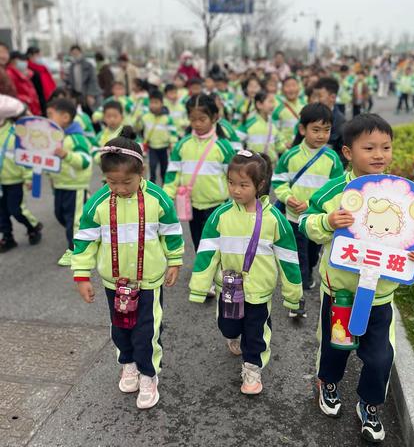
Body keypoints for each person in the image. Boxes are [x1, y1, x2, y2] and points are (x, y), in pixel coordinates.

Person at [299, 113, 414, 443]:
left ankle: (369, 404)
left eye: (386, 147)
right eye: (370, 147)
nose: (379, 155)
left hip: (380, 296)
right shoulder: (336, 191)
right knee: (335, 348)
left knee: (380, 358)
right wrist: (328, 221)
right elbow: (306, 223)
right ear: (348, 152)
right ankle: (328, 384)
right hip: (341, 294)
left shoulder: (401, 194)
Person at [72, 126, 184, 409]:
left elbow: (172, 232)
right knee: (120, 327)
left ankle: (149, 374)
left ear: (141, 172)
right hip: (115, 281)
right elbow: (84, 241)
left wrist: (175, 260)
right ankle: (129, 363)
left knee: (147, 329)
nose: (120, 189)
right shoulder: (96, 203)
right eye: (112, 182)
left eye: (127, 182)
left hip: (148, 280)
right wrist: (81, 275)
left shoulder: (158, 198)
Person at [189, 150, 302, 395]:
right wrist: (199, 287)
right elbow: (207, 253)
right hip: (229, 288)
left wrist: (293, 294)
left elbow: (289, 260)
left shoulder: (275, 219)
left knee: (255, 331)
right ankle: (233, 336)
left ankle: (252, 368)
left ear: (260, 185)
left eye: (243, 185)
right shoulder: (220, 215)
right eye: (231, 183)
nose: (235, 190)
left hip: (259, 290)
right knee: (228, 327)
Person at [273, 103, 343, 318]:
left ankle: (308, 274)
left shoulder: (332, 159)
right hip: (294, 217)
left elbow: (337, 190)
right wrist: (288, 198)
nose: (322, 135)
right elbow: (278, 181)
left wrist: (317, 208)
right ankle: (298, 296)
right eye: (316, 129)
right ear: (302, 130)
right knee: (298, 255)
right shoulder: (290, 155)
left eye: (326, 130)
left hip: (318, 221)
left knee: (313, 254)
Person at [163, 94, 235, 253]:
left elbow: (233, 176)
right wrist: (166, 197)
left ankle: (217, 274)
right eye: (193, 119)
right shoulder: (182, 144)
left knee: (216, 246)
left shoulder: (223, 146)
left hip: (217, 206)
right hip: (192, 204)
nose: (197, 124)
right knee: (198, 245)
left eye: (202, 119)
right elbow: (173, 174)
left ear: (214, 117)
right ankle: (203, 274)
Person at [47, 98, 92, 266]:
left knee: (74, 220)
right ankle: (91, 232)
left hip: (75, 185)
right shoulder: (54, 137)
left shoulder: (76, 138)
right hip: (60, 184)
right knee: (61, 215)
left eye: (50, 115)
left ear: (65, 117)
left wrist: (66, 155)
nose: (47, 119)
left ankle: (75, 250)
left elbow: (85, 161)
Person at [0, 95, 43, 252]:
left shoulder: (16, 132)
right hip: (1, 182)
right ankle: (7, 237)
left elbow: (26, 156)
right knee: (2, 212)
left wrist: (28, 177)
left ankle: (33, 227)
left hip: (16, 180)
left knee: (16, 209)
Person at [139, 90, 176, 185]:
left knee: (164, 168)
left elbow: (173, 132)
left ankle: (165, 186)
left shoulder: (167, 118)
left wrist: (173, 143)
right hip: (152, 147)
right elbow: (138, 128)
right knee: (152, 167)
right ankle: (151, 186)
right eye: (151, 102)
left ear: (162, 104)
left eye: (156, 103)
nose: (153, 105)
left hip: (164, 148)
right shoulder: (145, 117)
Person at [237, 91, 284, 162]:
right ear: (259, 104)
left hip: (270, 166)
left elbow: (278, 144)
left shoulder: (273, 123)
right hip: (253, 165)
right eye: (270, 102)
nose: (273, 105)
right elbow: (237, 141)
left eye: (273, 102)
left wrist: (286, 149)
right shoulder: (249, 122)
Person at [66, 45, 101, 115]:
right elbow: (70, 82)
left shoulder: (88, 65)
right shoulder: (71, 66)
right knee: (79, 115)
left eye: (76, 53)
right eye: (73, 53)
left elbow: (93, 80)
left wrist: (91, 94)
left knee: (91, 114)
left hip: (87, 94)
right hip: (77, 95)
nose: (75, 55)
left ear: (80, 52)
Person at [272, 76, 306, 149]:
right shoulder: (278, 109)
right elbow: (275, 129)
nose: (291, 89)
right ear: (282, 90)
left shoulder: (305, 105)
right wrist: (283, 142)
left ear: (299, 88)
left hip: (302, 146)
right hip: (286, 148)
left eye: (294, 85)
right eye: (287, 86)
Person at [6, 51, 41, 115]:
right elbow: (11, 94)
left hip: (30, 109)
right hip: (23, 110)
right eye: (21, 60)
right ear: (13, 61)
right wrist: (27, 100)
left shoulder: (21, 73)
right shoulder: (9, 74)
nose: (24, 63)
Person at [26, 46, 57, 115]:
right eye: (37, 55)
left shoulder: (42, 68)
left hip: (48, 99)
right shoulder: (28, 69)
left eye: (40, 55)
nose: (39, 57)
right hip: (39, 101)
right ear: (30, 55)